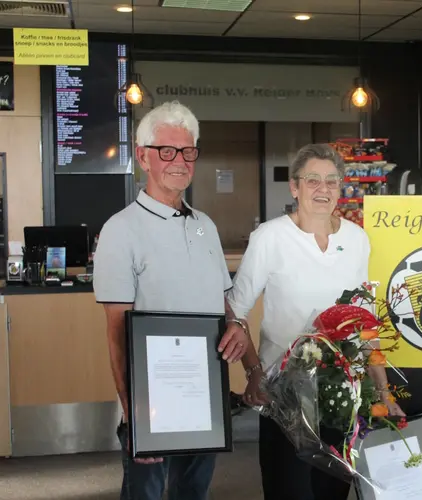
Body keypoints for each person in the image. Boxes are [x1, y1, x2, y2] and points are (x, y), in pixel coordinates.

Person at [226, 143, 405, 500]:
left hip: (341, 397)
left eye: (332, 181)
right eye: (312, 181)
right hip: (284, 398)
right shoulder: (270, 238)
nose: (323, 190)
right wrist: (254, 372)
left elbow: (363, 322)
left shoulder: (356, 239)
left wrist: (384, 392)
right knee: (288, 491)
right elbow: (235, 311)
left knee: (332, 493)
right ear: (295, 187)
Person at [93, 100, 249, 500]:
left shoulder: (205, 226)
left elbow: (222, 301)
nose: (179, 161)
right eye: (167, 151)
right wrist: (134, 415)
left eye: (188, 151)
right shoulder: (120, 230)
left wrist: (238, 326)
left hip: (205, 396)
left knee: (193, 493)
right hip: (153, 403)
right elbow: (116, 333)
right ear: (144, 157)